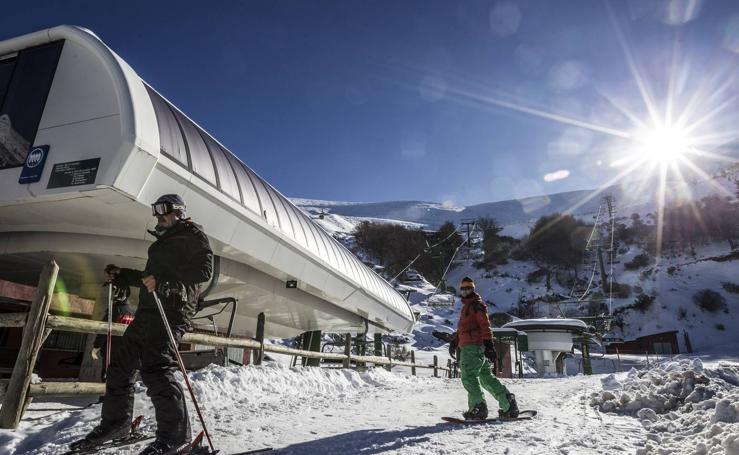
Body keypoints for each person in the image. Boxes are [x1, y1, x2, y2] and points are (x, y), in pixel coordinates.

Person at [71, 194, 214, 455]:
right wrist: (123, 275)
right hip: (149, 311)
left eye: (165, 212)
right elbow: (151, 278)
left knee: (156, 369)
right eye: (157, 213)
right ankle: (116, 424)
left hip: (174, 311)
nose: (159, 217)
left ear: (179, 212)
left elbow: (204, 272)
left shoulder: (193, 235)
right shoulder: (163, 242)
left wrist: (167, 284)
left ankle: (175, 438)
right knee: (119, 364)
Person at [453, 276, 518, 420]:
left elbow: (485, 325)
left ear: (473, 289)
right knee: (485, 378)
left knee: (469, 377)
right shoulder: (467, 307)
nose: (465, 291)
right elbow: (464, 329)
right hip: (474, 346)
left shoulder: (476, 305)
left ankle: (478, 407)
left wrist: (489, 345)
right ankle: (508, 403)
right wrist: (455, 341)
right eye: (463, 289)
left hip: (473, 348)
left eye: (468, 288)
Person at [91, 283, 135, 382]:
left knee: (108, 378)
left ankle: (106, 396)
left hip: (111, 351)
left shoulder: (113, 310)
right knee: (123, 379)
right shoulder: (133, 312)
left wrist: (96, 346)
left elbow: (104, 329)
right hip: (127, 352)